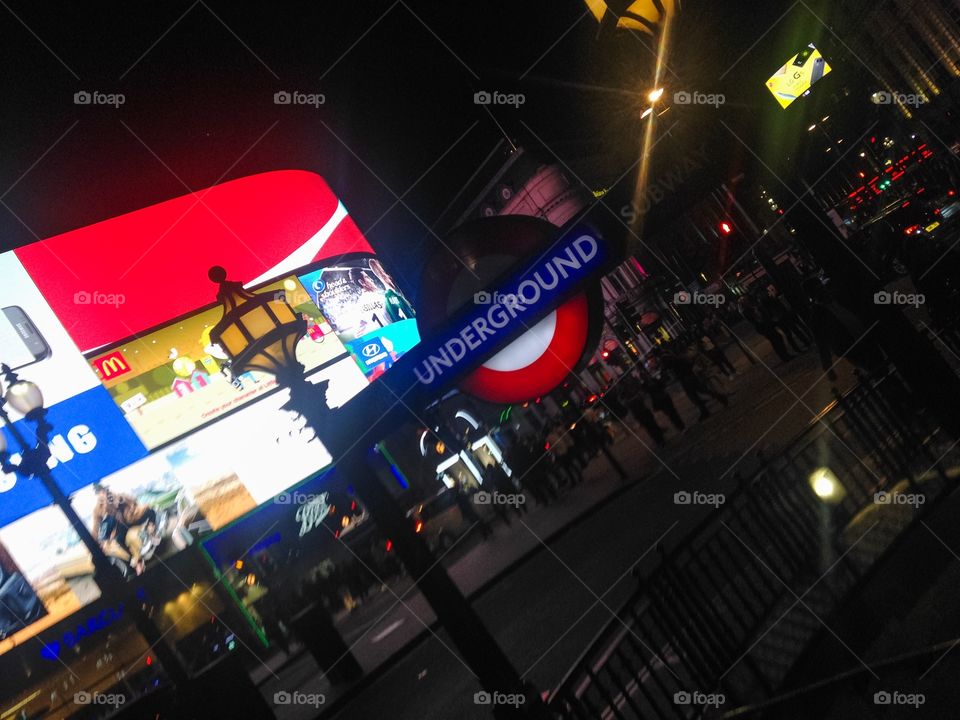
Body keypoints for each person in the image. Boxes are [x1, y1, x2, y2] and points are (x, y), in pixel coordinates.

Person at [91, 483, 160, 575]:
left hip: (130, 519)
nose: (103, 493)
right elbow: (96, 527)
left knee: (149, 511)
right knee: (119, 540)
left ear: (106, 489)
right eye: (100, 492)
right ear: (97, 494)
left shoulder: (118, 495)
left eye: (103, 490)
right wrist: (96, 544)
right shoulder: (97, 509)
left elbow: (133, 501)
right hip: (119, 526)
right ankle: (137, 563)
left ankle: (153, 534)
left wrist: (125, 503)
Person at [658, 349, 729, 421]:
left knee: (695, 395)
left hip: (686, 378)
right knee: (701, 392)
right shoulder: (679, 358)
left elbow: (666, 368)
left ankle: (715, 401)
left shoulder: (669, 359)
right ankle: (715, 401)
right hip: (689, 376)